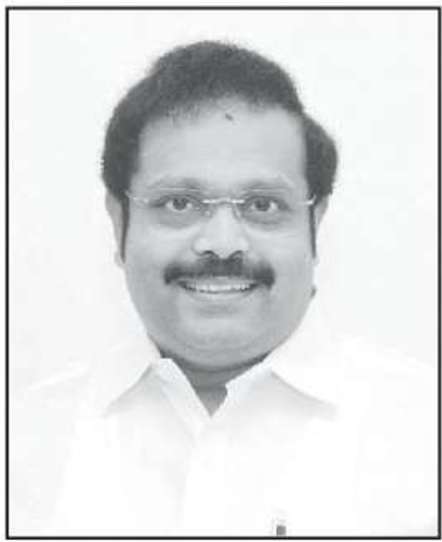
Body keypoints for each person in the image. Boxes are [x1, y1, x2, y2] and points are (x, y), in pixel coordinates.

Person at [11, 41, 436, 537]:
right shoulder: (23, 442)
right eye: (179, 203)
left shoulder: (424, 435)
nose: (222, 243)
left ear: (314, 225)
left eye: (262, 205)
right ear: (118, 223)